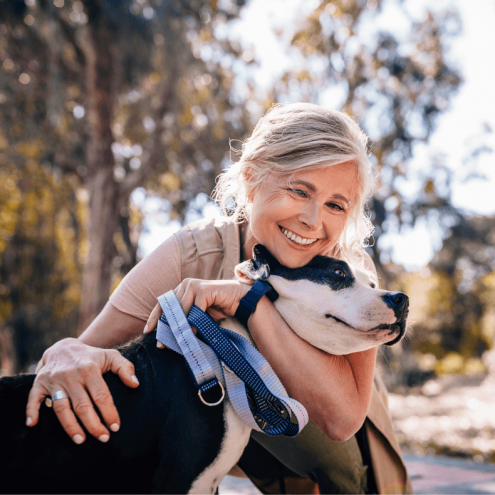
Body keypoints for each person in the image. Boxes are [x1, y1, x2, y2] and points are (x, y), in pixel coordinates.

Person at [26, 103, 412, 494]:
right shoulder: (194, 253)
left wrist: (249, 302)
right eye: (299, 190)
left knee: (346, 473)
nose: (313, 221)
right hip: (209, 421)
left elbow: (341, 420)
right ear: (250, 180)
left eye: (335, 205)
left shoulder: (352, 272)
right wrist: (63, 353)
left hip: (321, 442)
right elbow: (84, 352)